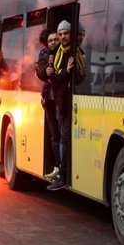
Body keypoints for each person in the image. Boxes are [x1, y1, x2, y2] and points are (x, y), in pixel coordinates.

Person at [47, 20, 86, 191]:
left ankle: (63, 174)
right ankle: (62, 174)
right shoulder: (56, 53)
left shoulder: (74, 52)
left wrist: (66, 73)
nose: (63, 37)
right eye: (60, 34)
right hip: (60, 103)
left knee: (65, 140)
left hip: (71, 103)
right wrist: (64, 72)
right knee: (62, 139)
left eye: (66, 33)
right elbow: (53, 77)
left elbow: (80, 77)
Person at [36, 29, 61, 181]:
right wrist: (47, 70)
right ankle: (57, 165)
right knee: (54, 135)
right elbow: (40, 72)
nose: (53, 42)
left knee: (62, 134)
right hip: (49, 100)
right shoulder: (44, 54)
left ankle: (60, 166)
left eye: (55, 39)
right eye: (50, 40)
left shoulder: (64, 53)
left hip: (61, 99)